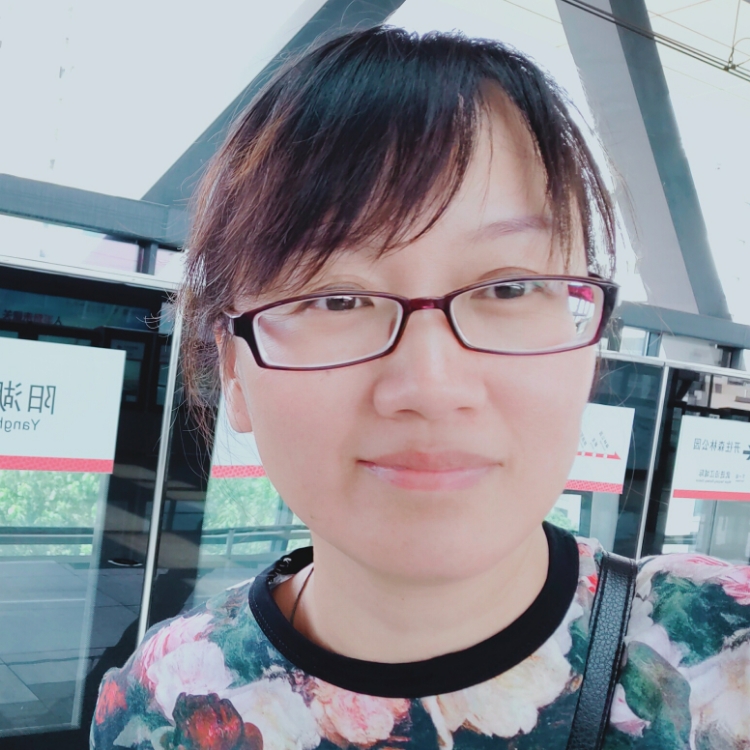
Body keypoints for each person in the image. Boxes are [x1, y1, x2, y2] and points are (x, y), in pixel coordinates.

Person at [91, 26, 750, 750]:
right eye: (337, 299)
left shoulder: (727, 649)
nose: (431, 386)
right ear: (234, 371)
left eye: (508, 288)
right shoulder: (158, 707)